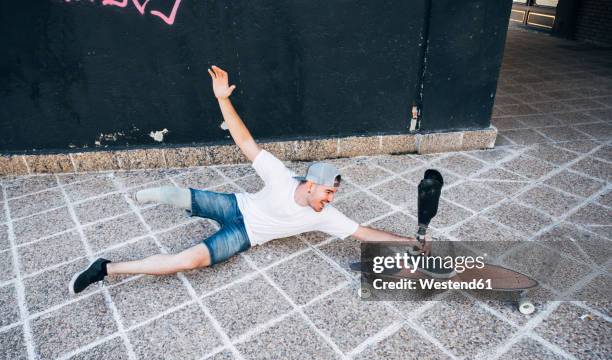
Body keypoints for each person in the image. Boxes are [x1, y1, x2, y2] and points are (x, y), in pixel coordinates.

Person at [69, 66, 440, 294]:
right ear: (310, 184)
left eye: (333, 195)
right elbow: (244, 140)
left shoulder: (322, 215)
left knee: (191, 260)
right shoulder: (280, 177)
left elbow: (364, 233)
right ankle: (150, 195)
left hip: (245, 234)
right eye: (328, 191)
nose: (330, 200)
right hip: (236, 205)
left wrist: (410, 240)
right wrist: (222, 99)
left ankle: (106, 268)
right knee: (178, 196)